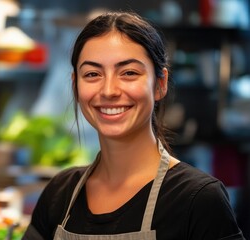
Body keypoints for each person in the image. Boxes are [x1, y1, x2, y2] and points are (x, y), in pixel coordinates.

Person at [22, 10, 245, 240]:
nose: (109, 91)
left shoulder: (198, 199)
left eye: (128, 73)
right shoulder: (60, 193)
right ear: (75, 85)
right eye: (92, 74)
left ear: (160, 84)